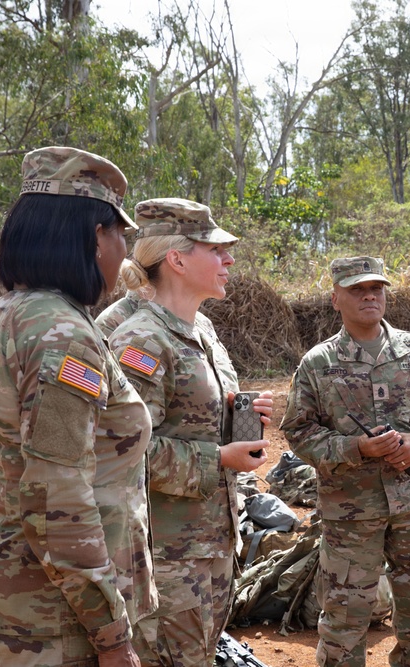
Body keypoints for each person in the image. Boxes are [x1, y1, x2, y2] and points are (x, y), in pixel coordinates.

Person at [0, 146, 157, 667]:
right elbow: (56, 497)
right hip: (52, 610)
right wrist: (111, 635)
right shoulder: (62, 333)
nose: (122, 252)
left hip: (17, 580)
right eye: (119, 235)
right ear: (95, 237)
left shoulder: (7, 312)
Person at [106, 198, 271, 667]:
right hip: (164, 560)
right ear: (176, 260)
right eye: (215, 249)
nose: (229, 259)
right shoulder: (142, 342)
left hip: (211, 543)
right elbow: (123, 453)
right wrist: (220, 459)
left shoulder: (202, 329)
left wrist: (238, 413)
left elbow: (190, 417)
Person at [280, 256, 410, 667]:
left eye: (376, 288)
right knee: (345, 619)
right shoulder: (318, 363)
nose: (369, 296)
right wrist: (356, 448)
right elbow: (299, 432)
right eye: (357, 290)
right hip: (351, 514)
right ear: (335, 299)